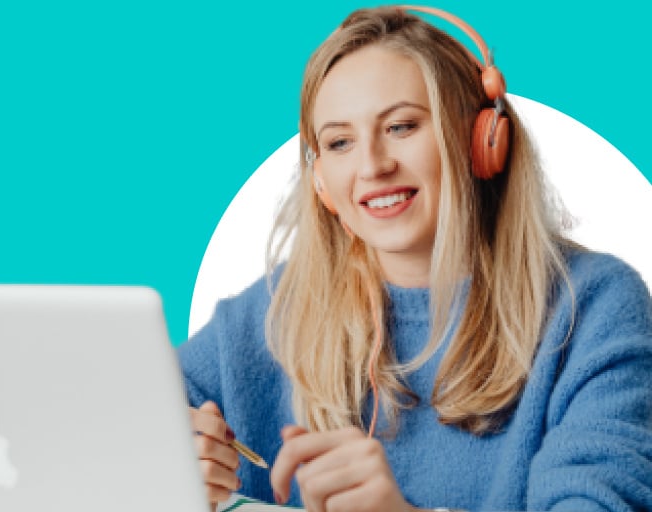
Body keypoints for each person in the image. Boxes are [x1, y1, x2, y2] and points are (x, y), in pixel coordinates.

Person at [179, 5, 652, 512]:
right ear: (321, 181)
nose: (373, 166)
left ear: (482, 142)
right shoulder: (272, 310)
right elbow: (117, 413)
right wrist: (162, 458)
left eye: (402, 126)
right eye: (339, 142)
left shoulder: (595, 307)